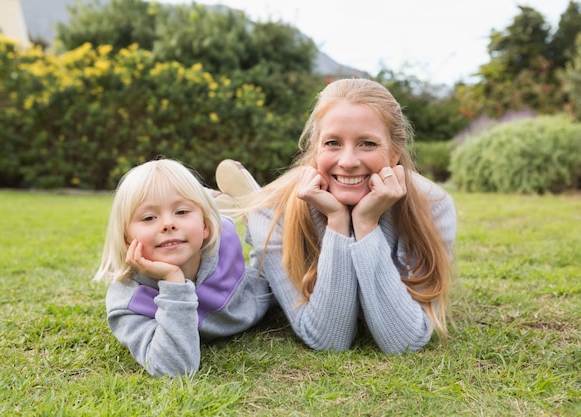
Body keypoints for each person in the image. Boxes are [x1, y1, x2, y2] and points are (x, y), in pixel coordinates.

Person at [216, 78, 456, 354]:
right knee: (255, 297)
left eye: (367, 143)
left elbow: (405, 340)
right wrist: (337, 222)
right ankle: (247, 208)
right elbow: (330, 339)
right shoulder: (272, 212)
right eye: (333, 143)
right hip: (272, 211)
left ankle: (250, 201)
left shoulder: (434, 206)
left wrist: (366, 223)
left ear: (394, 154)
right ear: (315, 149)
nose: (348, 161)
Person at [94, 158, 272, 377]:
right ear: (126, 238)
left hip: (255, 293)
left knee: (272, 254)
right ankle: (205, 201)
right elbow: (176, 368)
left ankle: (254, 210)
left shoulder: (222, 234)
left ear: (206, 227)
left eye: (181, 212)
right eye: (149, 217)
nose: (168, 224)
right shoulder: (129, 304)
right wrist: (173, 281)